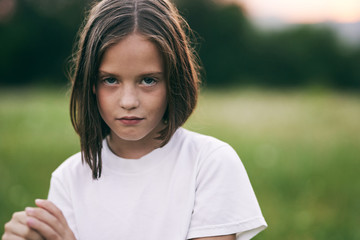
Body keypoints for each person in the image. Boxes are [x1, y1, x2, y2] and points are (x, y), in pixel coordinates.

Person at [2, 0, 267, 239]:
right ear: (91, 83)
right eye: (111, 80)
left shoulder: (209, 164)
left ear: (173, 80)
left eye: (148, 80)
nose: (129, 101)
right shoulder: (68, 179)